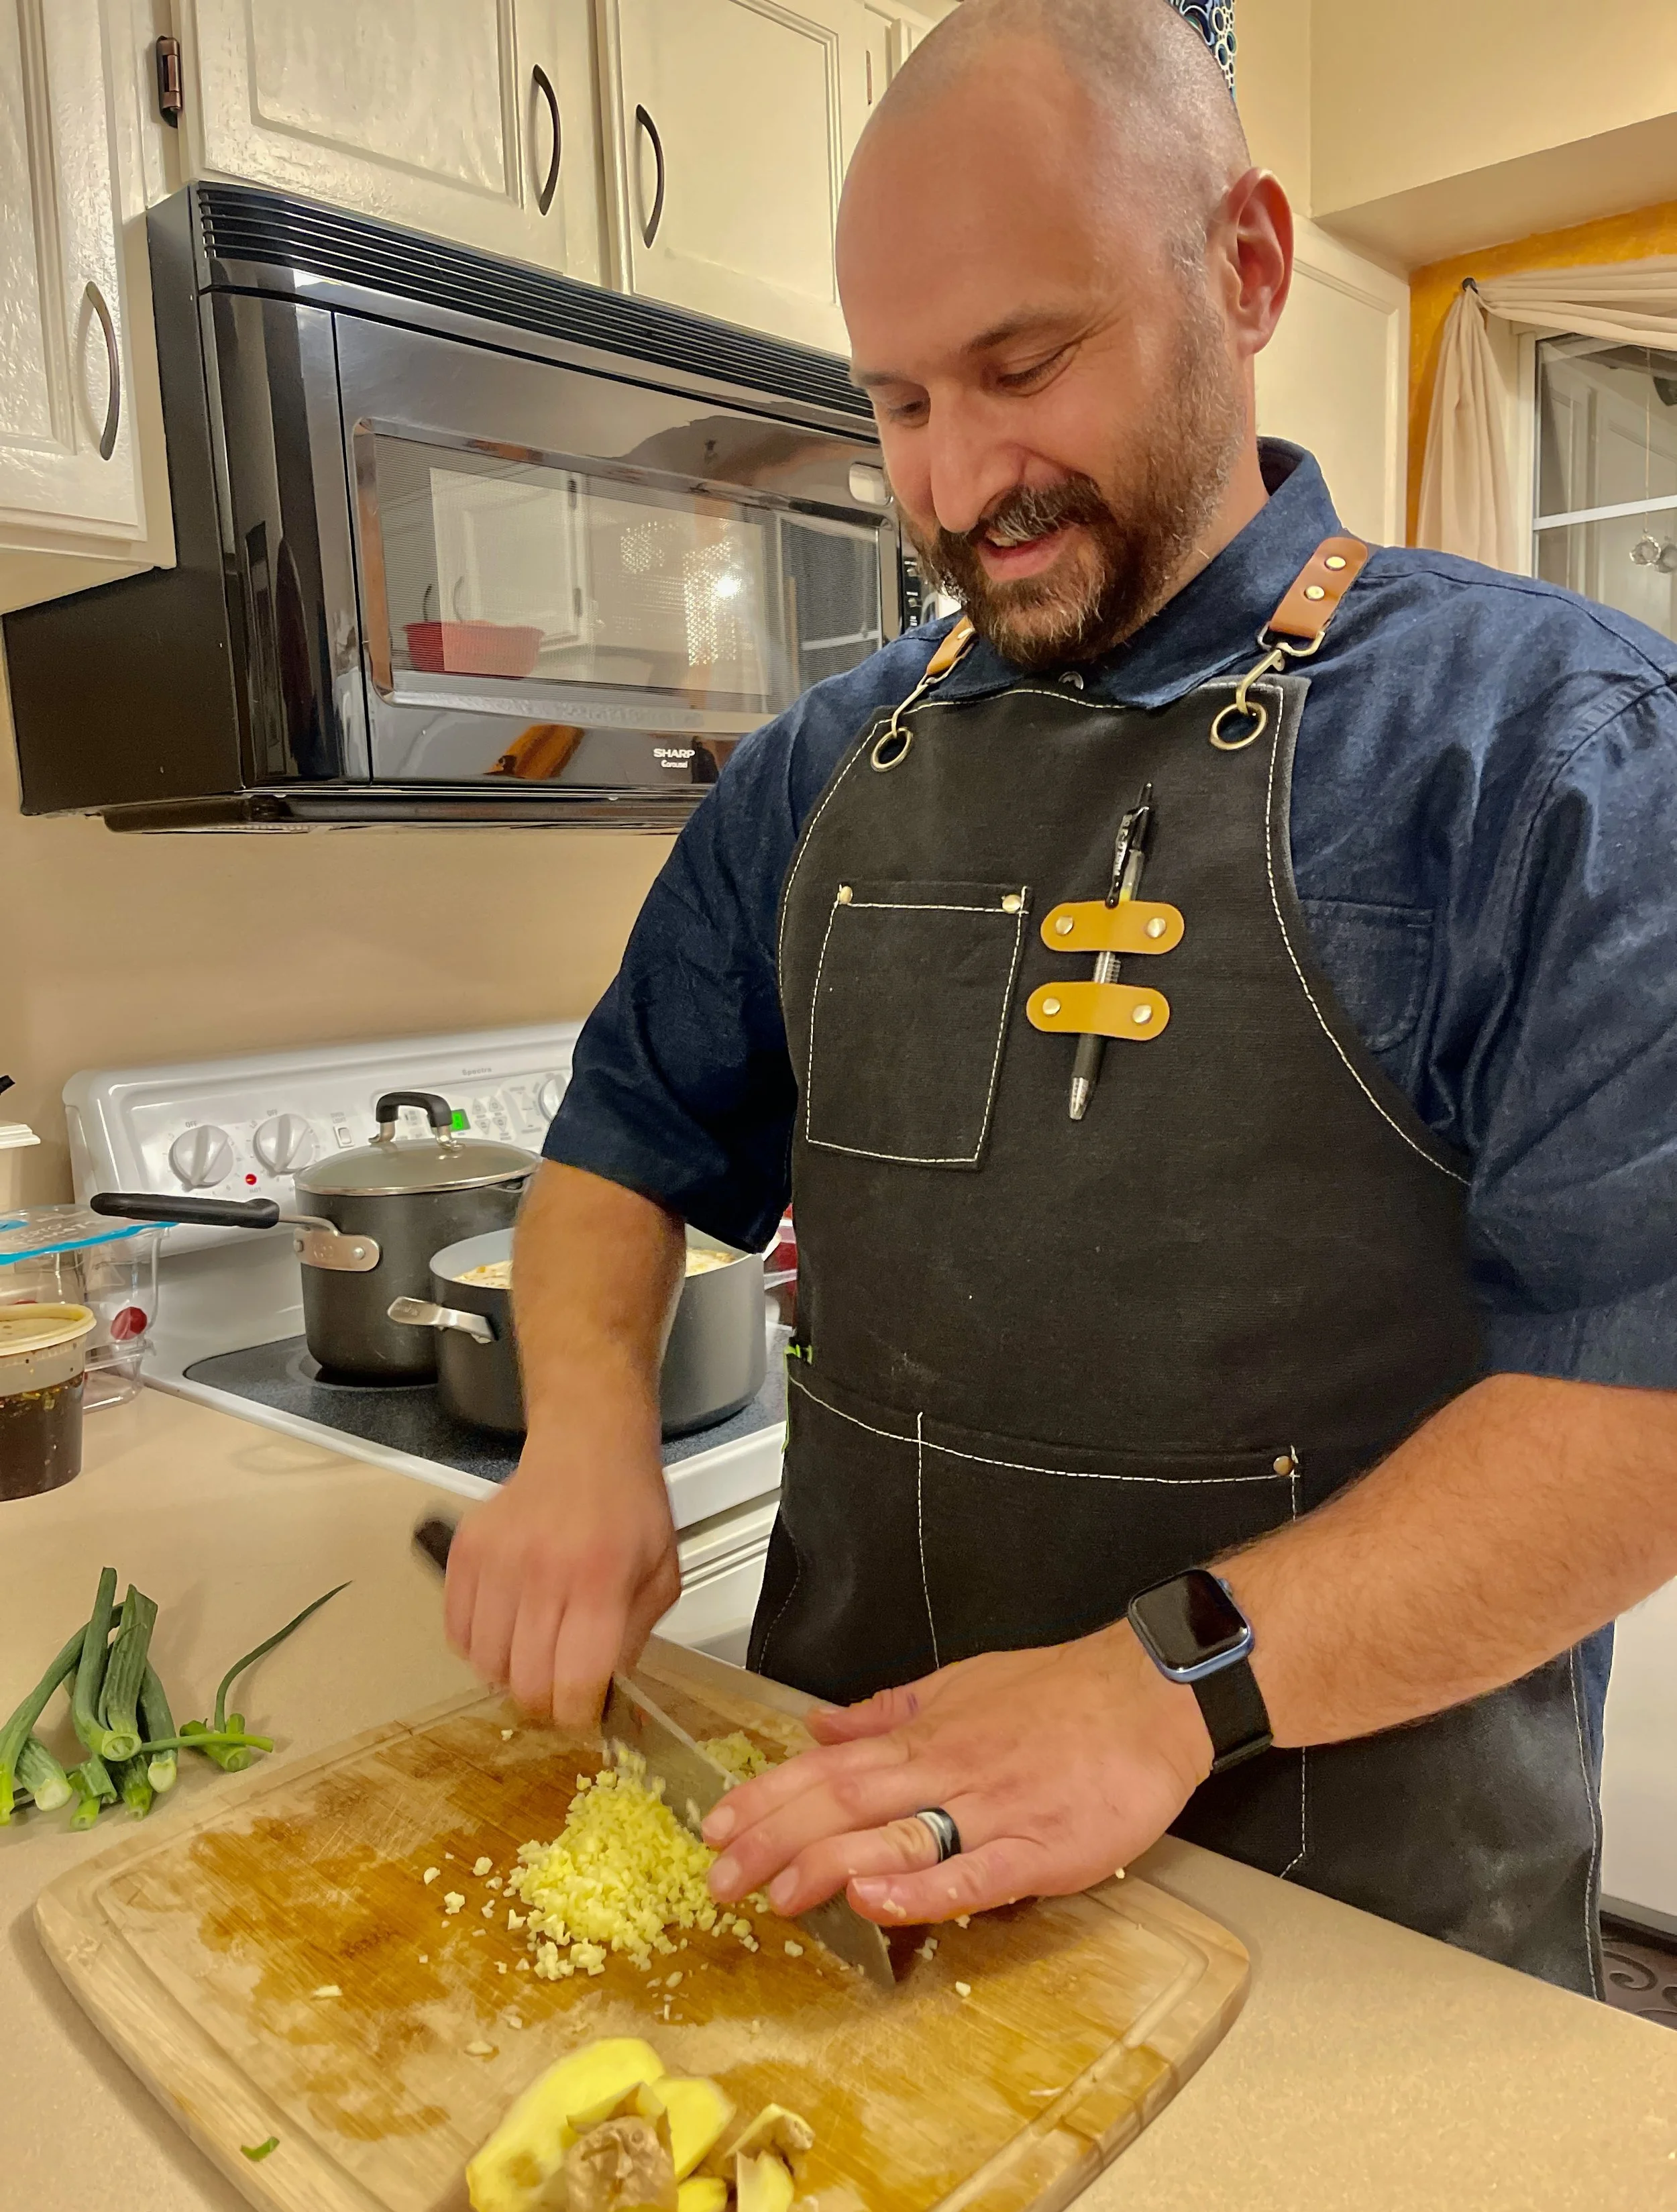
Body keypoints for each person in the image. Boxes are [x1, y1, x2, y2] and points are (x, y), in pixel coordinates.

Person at [441, 0, 1677, 1996]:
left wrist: (1164, 1682)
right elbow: (615, 1158)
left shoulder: (1554, 752)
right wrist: (581, 1434)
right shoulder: (820, 769)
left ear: (1245, 266)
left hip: (1352, 1942)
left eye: (1024, 367)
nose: (958, 479)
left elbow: (1639, 1409)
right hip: (837, 1878)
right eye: (900, 401)